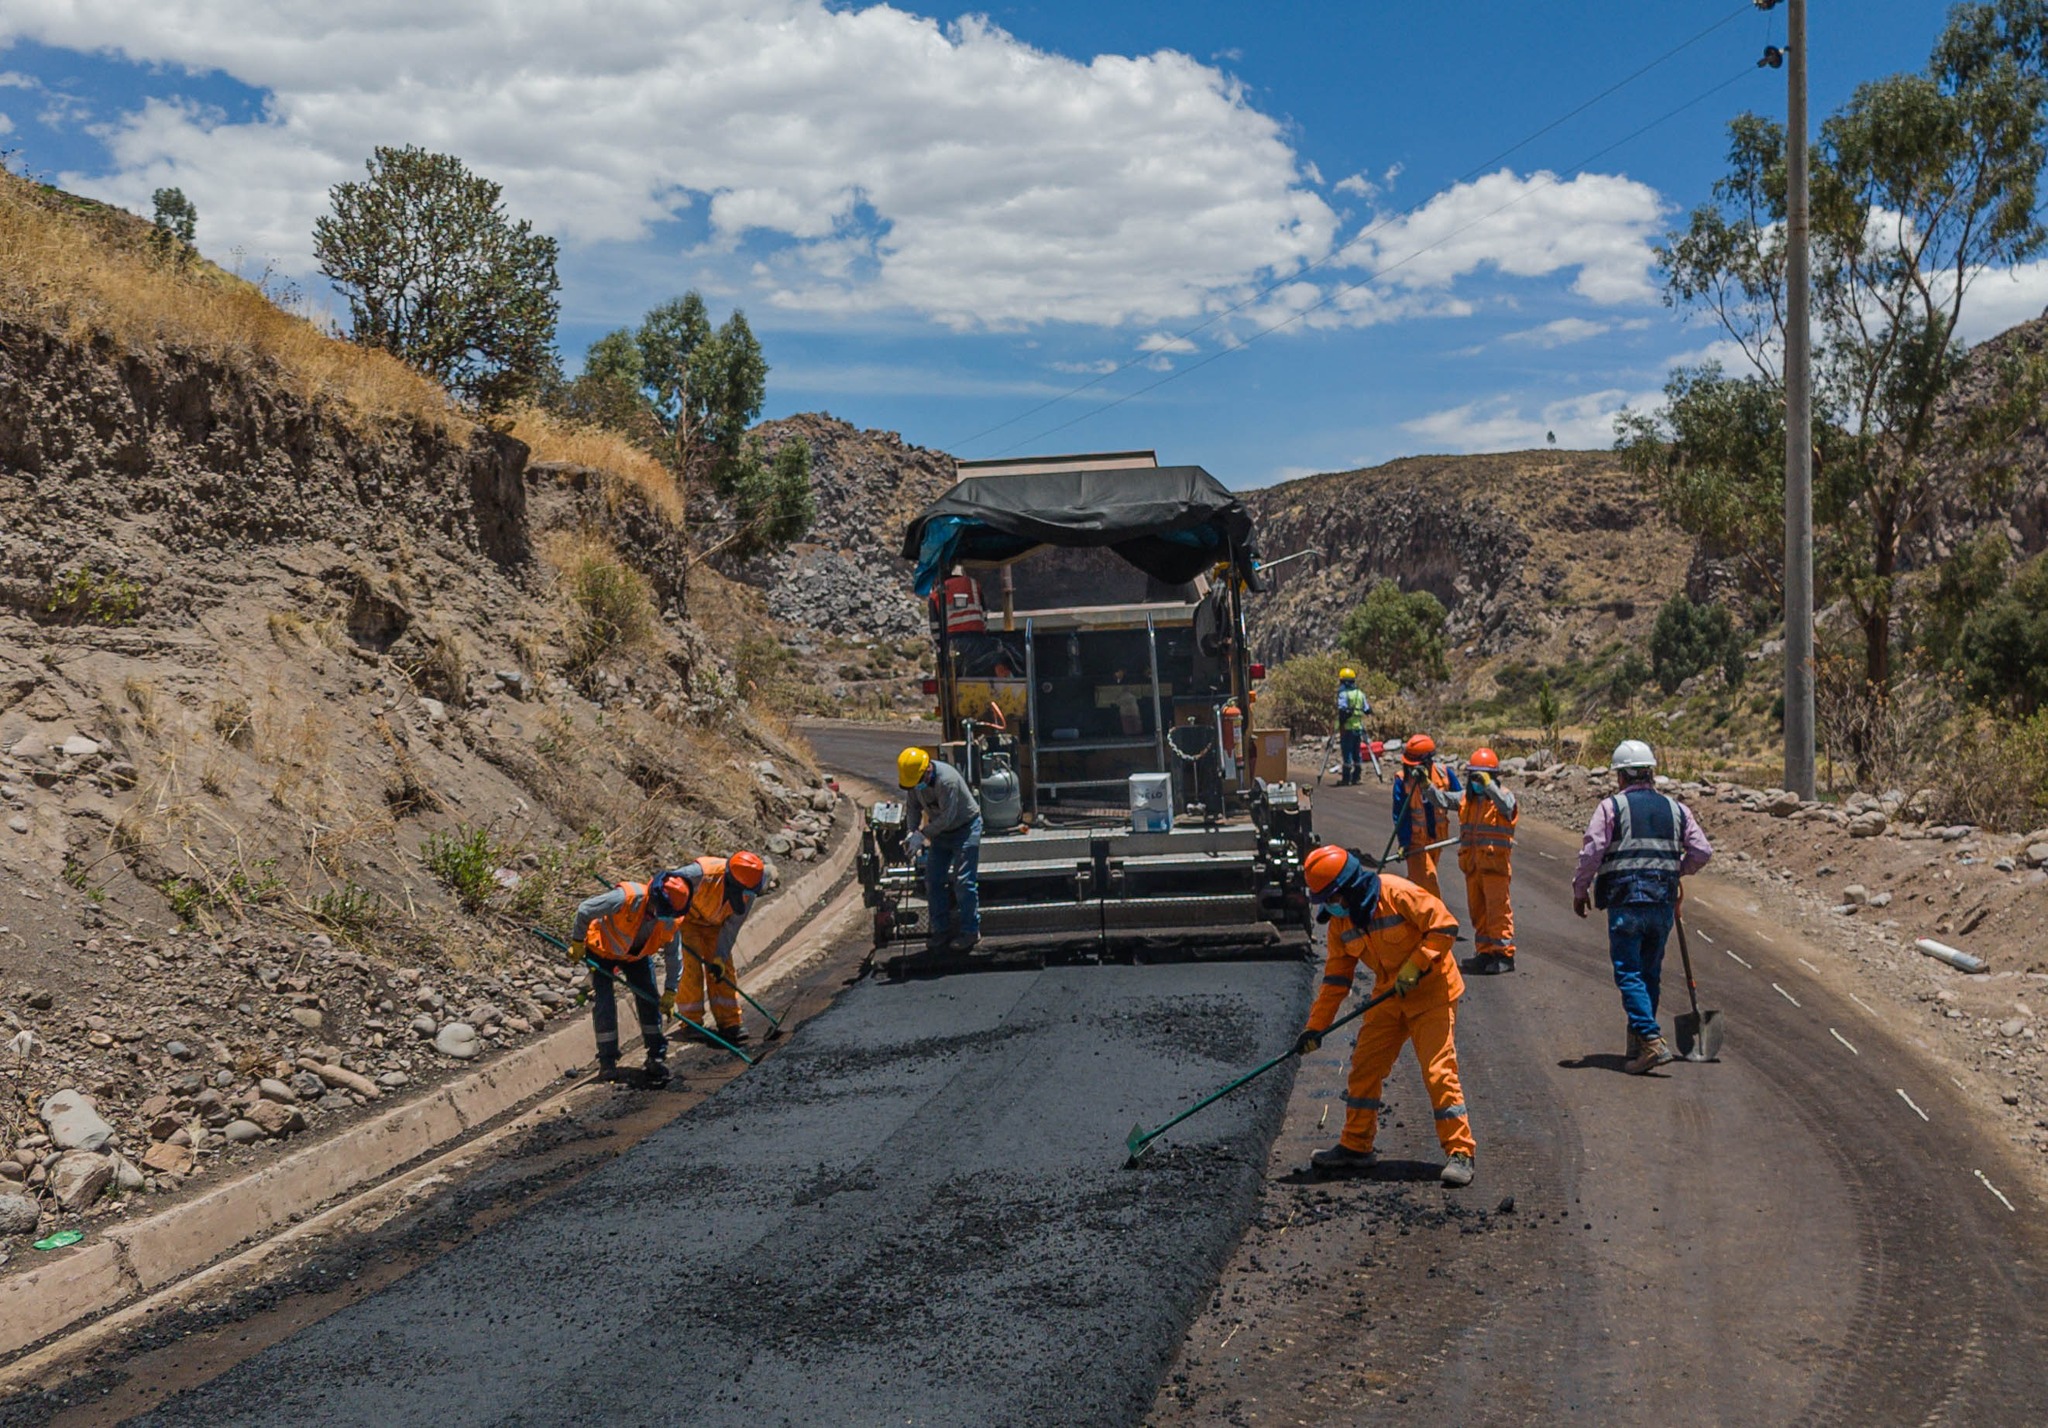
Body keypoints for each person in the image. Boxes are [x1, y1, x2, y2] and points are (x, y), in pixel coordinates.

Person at [1296, 844, 1475, 1187]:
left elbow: (1444, 926)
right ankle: (1356, 1146)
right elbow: (1336, 980)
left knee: (1438, 1071)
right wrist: (1314, 1028)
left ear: (1347, 889)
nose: (1330, 908)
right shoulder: (1341, 923)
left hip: (1431, 990)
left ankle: (1461, 1151)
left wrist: (1417, 964)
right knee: (1365, 1066)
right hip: (1389, 996)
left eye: (1331, 899)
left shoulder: (1397, 893)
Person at [1572, 739, 1714, 1073]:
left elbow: (1592, 852)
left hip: (1626, 902)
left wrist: (1581, 890)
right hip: (1662, 902)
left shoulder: (1612, 808)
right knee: (1649, 973)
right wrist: (1673, 869)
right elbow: (1702, 851)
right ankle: (1637, 1046)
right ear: (1650, 772)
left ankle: (1650, 1039)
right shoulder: (1677, 809)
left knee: (1628, 972)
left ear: (1621, 776)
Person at [569, 872, 695, 1086]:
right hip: (603, 951)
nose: (660, 916)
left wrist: (671, 991)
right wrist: (578, 941)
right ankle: (608, 1062)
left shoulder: (670, 919)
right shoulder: (626, 897)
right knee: (605, 1004)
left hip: (637, 956)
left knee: (650, 1000)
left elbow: (674, 956)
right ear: (654, 897)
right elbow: (585, 909)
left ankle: (656, 1055)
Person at [664, 851, 768, 1045]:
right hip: (688, 922)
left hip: (716, 926)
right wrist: (668, 925)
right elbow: (667, 886)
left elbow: (732, 927)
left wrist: (720, 956)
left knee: (723, 971)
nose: (744, 895)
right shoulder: (700, 874)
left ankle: (730, 1023)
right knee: (690, 969)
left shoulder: (749, 891)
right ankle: (692, 1022)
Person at [898, 746, 982, 954]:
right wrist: (911, 832)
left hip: (965, 827)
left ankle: (971, 931)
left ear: (927, 771)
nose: (916, 787)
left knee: (963, 881)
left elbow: (948, 817)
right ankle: (941, 930)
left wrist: (922, 835)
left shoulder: (948, 781)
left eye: (918, 782)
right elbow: (913, 808)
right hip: (940, 832)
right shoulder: (914, 783)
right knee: (933, 880)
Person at [1458, 748, 1518, 975]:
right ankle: (1484, 952)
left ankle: (1503, 955)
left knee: (1497, 912)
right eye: (1474, 776)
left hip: (1495, 868)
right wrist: (1427, 788)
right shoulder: (1468, 801)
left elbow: (1508, 806)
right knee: (1479, 913)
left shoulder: (1503, 796)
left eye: (1481, 776)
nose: (1476, 781)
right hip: (1473, 867)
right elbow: (1446, 799)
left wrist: (1490, 786)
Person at [1391, 733, 1460, 897]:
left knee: (1420, 884)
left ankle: (1408, 912)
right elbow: (1400, 814)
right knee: (1428, 885)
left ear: (1428, 762)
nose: (1412, 769)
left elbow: (1462, 801)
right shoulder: (1403, 781)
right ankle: (1436, 920)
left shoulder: (1444, 774)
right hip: (1416, 842)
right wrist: (1404, 841)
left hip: (1437, 839)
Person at [1335, 668, 1371, 785]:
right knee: (1357, 752)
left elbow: (1342, 711)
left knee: (1347, 752)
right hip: (1358, 727)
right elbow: (1367, 710)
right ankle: (1356, 777)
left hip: (1347, 728)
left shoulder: (1343, 694)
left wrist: (1341, 725)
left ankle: (1346, 778)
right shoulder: (1360, 694)